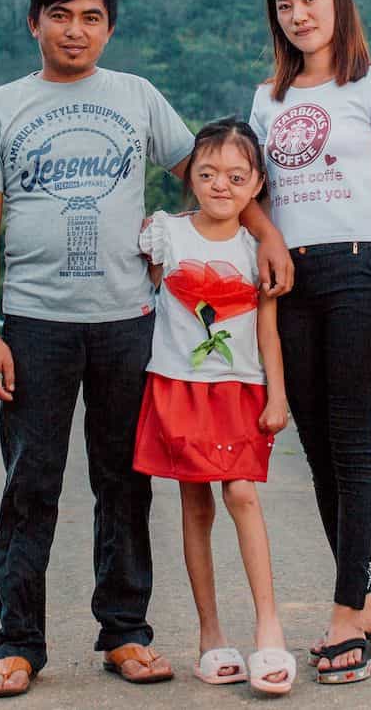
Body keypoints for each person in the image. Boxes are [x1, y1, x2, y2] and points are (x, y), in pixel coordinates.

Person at [0, 0, 292, 699]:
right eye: (61, 15)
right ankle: (17, 643)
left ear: (109, 27)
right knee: (30, 483)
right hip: (37, 323)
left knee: (126, 482)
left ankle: (126, 632)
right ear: (34, 22)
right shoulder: (0, 107)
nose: (75, 30)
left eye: (91, 17)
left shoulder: (136, 97)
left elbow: (210, 172)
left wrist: (266, 235)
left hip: (127, 323)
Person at [247, 0, 371, 685]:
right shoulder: (267, 98)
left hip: (358, 269)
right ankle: (367, 599)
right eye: (285, 6)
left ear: (337, 2)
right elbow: (252, 192)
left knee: (352, 442)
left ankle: (346, 612)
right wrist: (269, 237)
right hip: (291, 279)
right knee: (316, 447)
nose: (298, 15)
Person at [133, 118, 297, 696]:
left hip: (240, 390)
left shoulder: (260, 249)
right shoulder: (166, 235)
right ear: (190, 179)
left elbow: (270, 332)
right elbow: (146, 298)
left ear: (256, 185)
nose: (219, 185)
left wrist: (278, 395)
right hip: (178, 386)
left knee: (243, 494)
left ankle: (269, 630)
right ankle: (210, 635)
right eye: (206, 173)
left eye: (235, 175)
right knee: (195, 503)